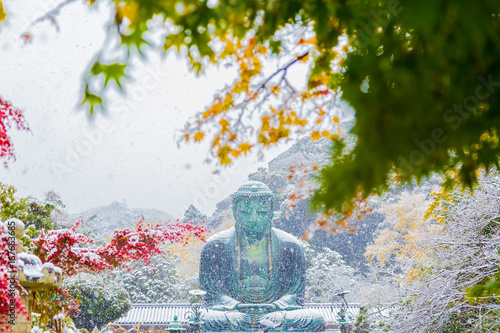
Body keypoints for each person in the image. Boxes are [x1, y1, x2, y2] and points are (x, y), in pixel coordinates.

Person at [200, 181, 325, 332]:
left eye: (261, 213)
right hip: (235, 314)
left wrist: (275, 306)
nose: (254, 219)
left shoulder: (290, 245)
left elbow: (295, 295)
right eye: (246, 212)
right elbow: (212, 296)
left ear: (271, 212)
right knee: (203, 319)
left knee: (315, 319)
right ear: (235, 211)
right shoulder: (216, 245)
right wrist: (237, 306)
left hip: (276, 314)